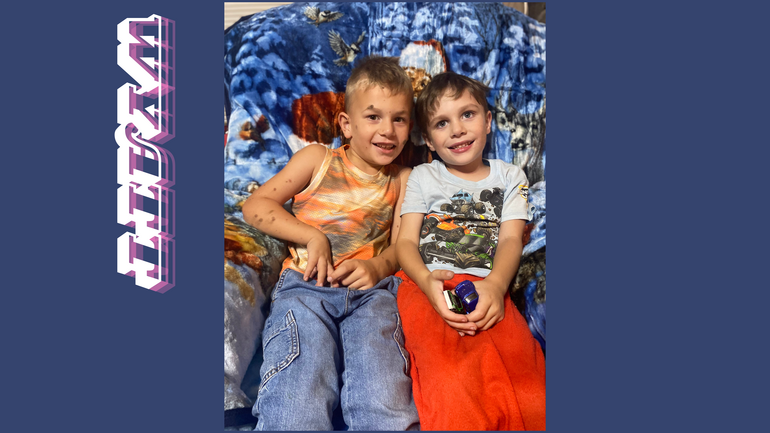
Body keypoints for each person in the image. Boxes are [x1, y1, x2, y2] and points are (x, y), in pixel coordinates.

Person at [241, 56, 419, 431]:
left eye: (399, 119)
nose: (387, 130)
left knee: (384, 390)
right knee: (298, 381)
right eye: (373, 117)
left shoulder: (404, 178)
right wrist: (312, 236)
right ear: (347, 124)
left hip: (372, 294)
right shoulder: (317, 158)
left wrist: (377, 266)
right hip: (306, 286)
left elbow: (403, 246)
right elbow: (256, 206)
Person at [395, 71, 546, 430]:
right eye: (442, 123)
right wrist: (426, 282)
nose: (457, 130)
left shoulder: (514, 178)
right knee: (451, 382)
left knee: (529, 384)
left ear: (488, 120)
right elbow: (405, 242)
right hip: (428, 285)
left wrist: (495, 285)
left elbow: (511, 239)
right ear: (428, 140)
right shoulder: (422, 176)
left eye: (467, 114)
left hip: (490, 284)